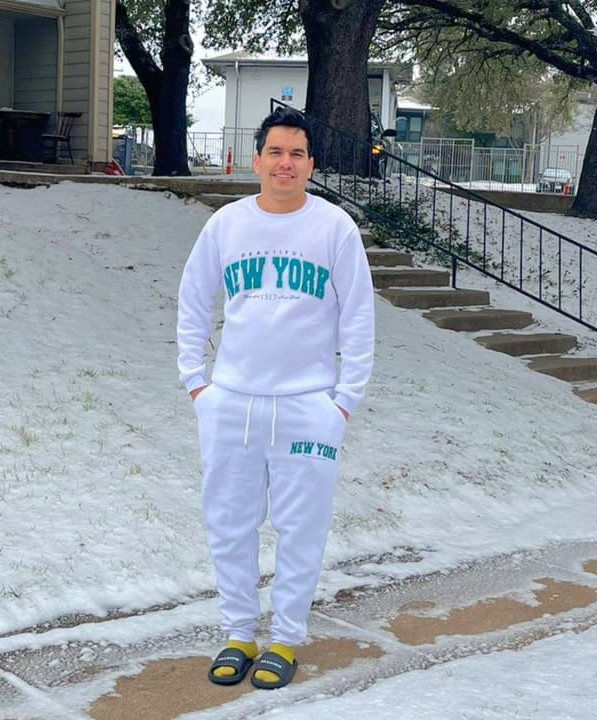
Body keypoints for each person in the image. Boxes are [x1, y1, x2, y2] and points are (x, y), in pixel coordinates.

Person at [176, 107, 376, 690]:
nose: (285, 163)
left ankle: (285, 639)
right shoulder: (227, 225)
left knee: (300, 528)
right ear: (256, 159)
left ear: (311, 164)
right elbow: (193, 301)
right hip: (232, 401)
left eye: (297, 154)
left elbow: (358, 317)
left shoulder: (334, 227)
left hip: (308, 404)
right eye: (275, 152)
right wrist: (198, 383)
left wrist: (343, 401)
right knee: (230, 524)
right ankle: (238, 632)